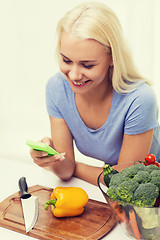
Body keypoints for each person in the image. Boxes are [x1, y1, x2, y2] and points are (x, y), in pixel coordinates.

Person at [30, 1, 160, 185]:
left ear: (113, 58)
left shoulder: (139, 99)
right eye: (66, 60)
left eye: (87, 65)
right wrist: (50, 157)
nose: (74, 75)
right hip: (115, 191)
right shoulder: (57, 88)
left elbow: (125, 181)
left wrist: (75, 166)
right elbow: (65, 171)